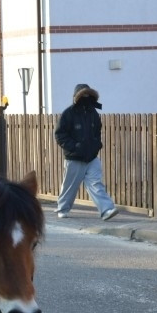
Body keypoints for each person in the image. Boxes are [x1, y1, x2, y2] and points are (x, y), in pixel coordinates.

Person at [54, 83, 119, 221]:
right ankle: (62, 209)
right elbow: (60, 134)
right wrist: (75, 146)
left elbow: (97, 133)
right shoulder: (68, 113)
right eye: (83, 95)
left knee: (96, 184)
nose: (85, 97)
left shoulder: (93, 113)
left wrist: (96, 145)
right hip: (74, 158)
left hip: (92, 157)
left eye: (88, 95)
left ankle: (107, 210)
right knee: (70, 186)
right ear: (76, 96)